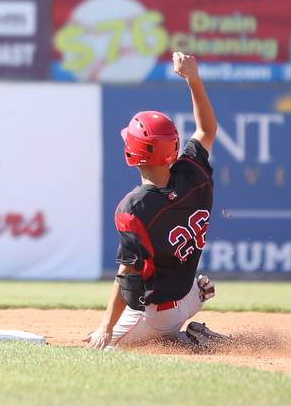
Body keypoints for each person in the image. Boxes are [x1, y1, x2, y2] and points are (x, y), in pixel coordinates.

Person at [83, 52, 219, 350]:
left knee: (102, 349)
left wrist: (105, 329)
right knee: (178, 284)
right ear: (172, 146)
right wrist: (193, 78)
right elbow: (207, 129)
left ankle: (185, 340)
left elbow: (128, 274)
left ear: (132, 153)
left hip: (158, 314)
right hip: (191, 295)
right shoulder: (192, 171)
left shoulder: (134, 208)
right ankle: (183, 328)